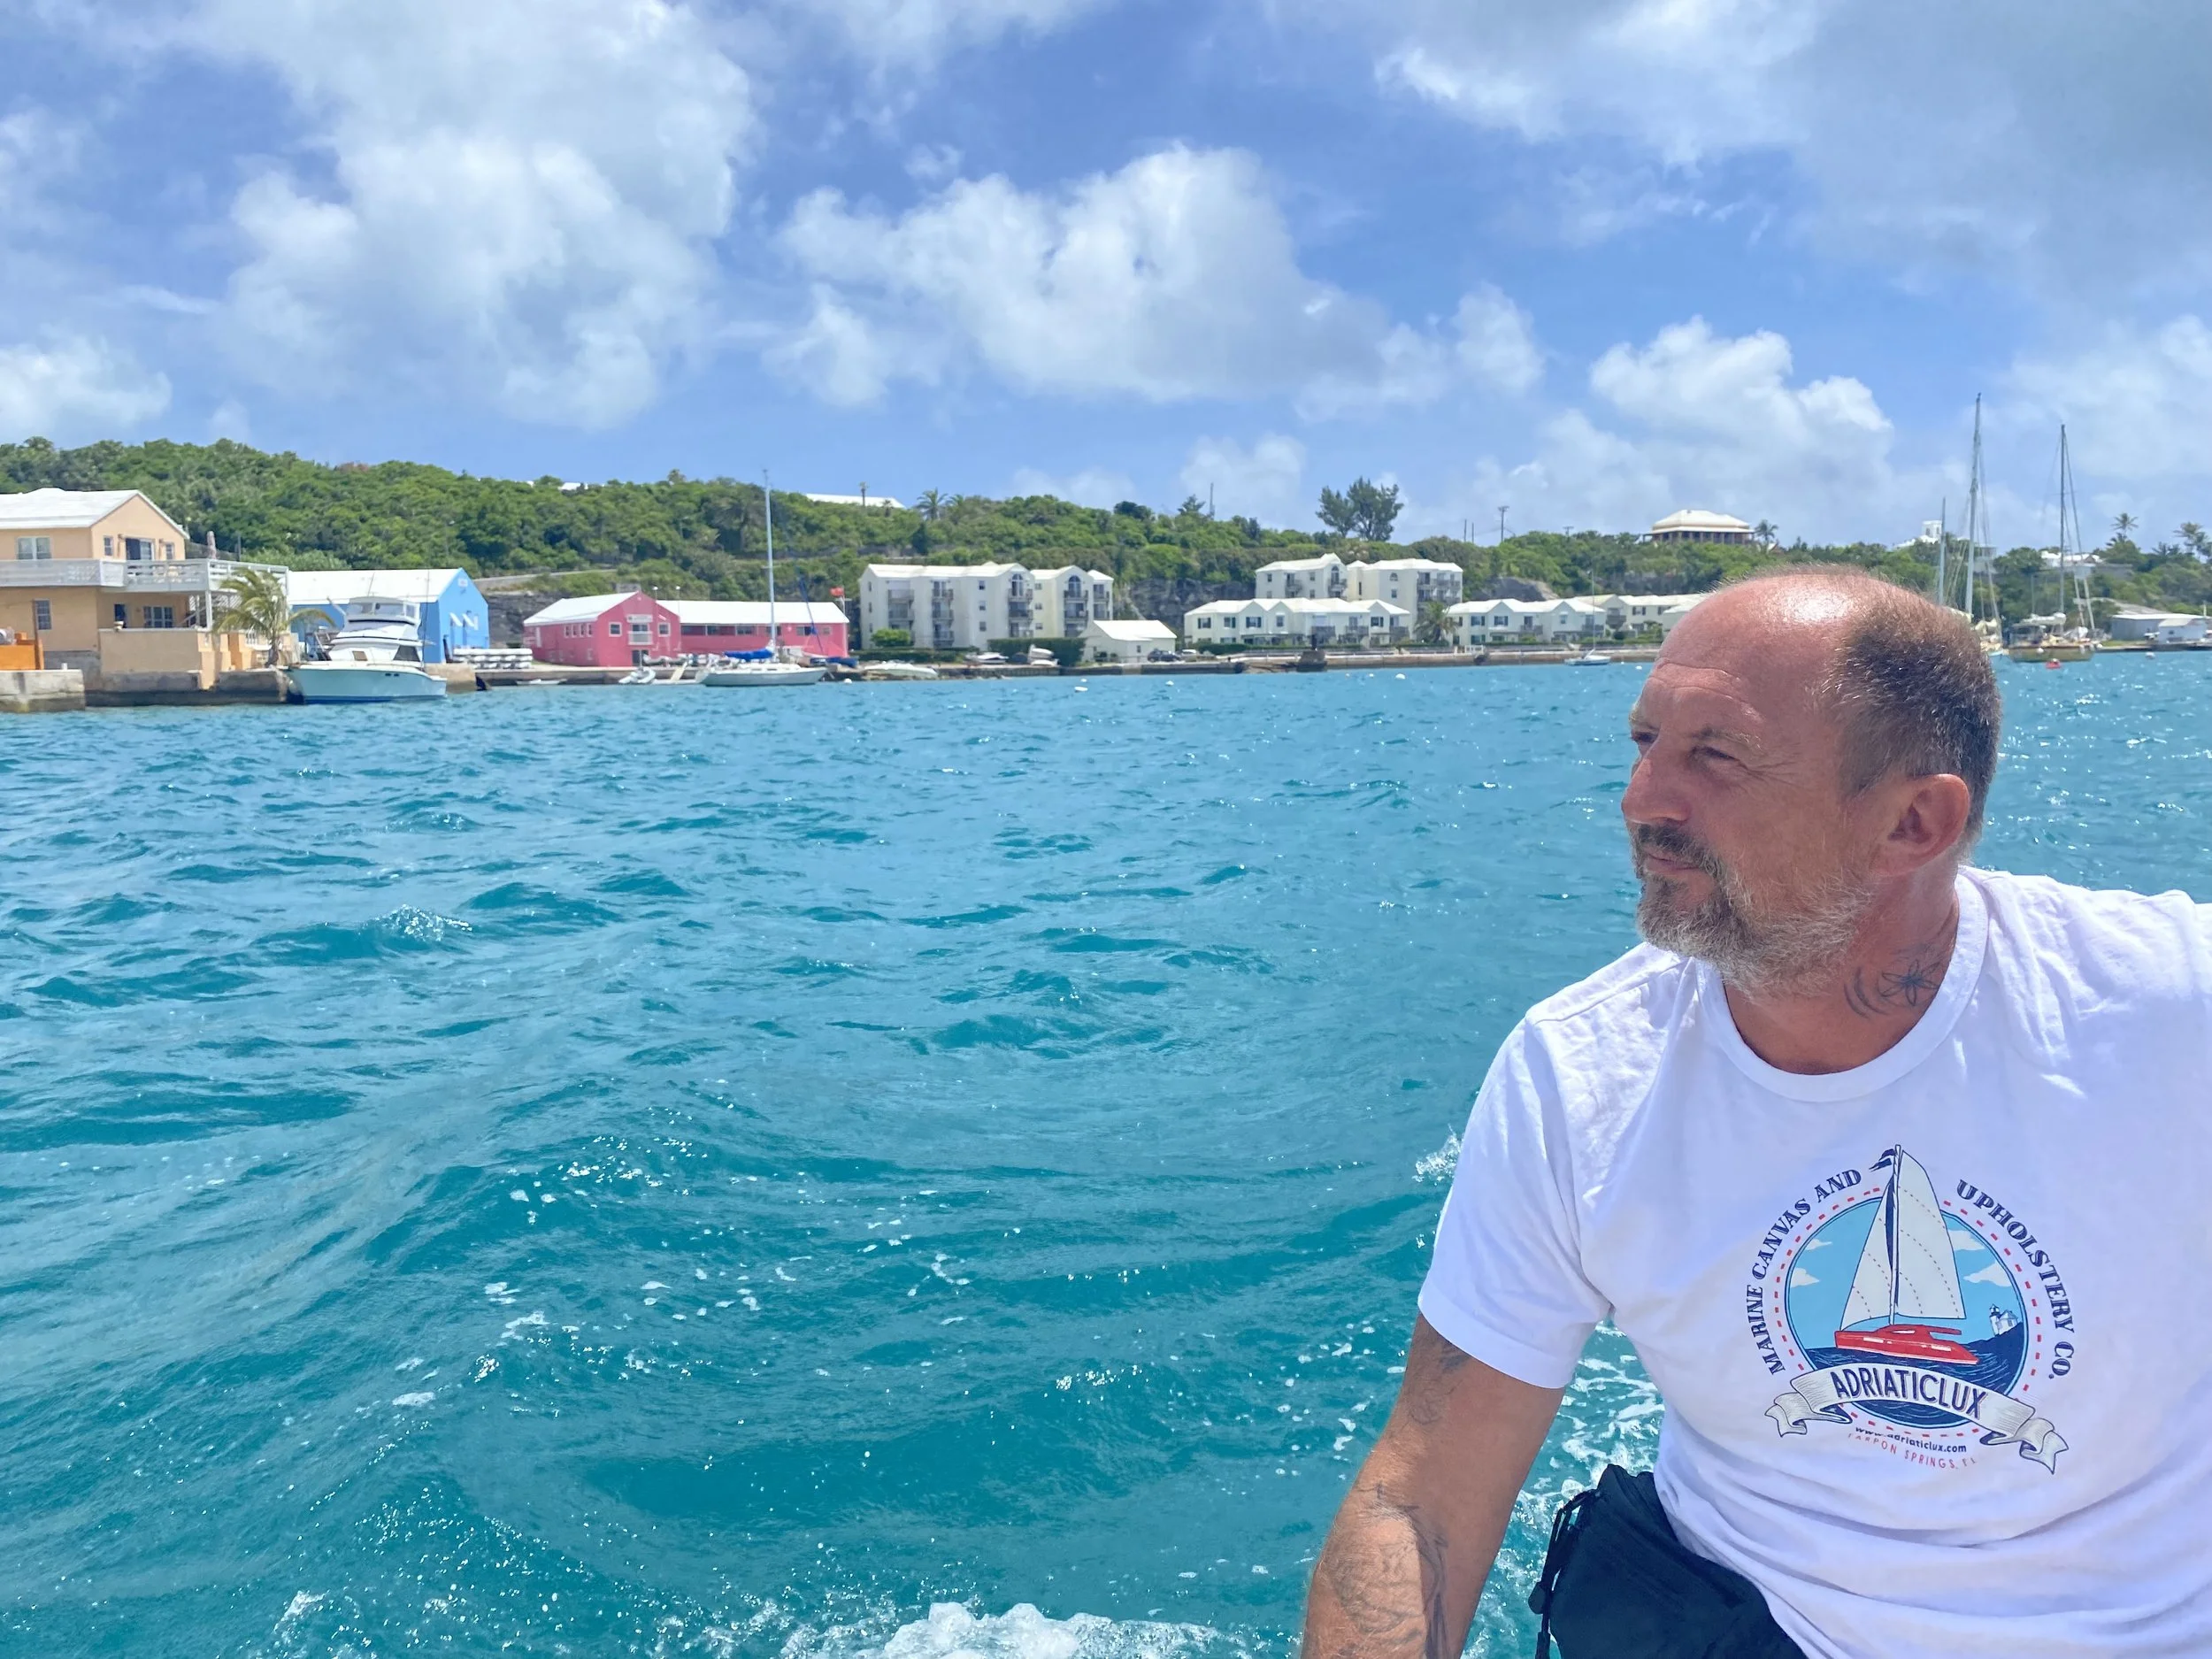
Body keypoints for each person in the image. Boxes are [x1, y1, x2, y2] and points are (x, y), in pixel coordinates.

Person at [1302, 568, 2212, 1658]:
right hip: (1749, 1626)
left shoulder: (2167, 1006)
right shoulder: (1578, 1074)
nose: (1642, 800)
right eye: (1645, 743)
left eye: (1714, 756)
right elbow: (1421, 1502)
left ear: (1913, 821)